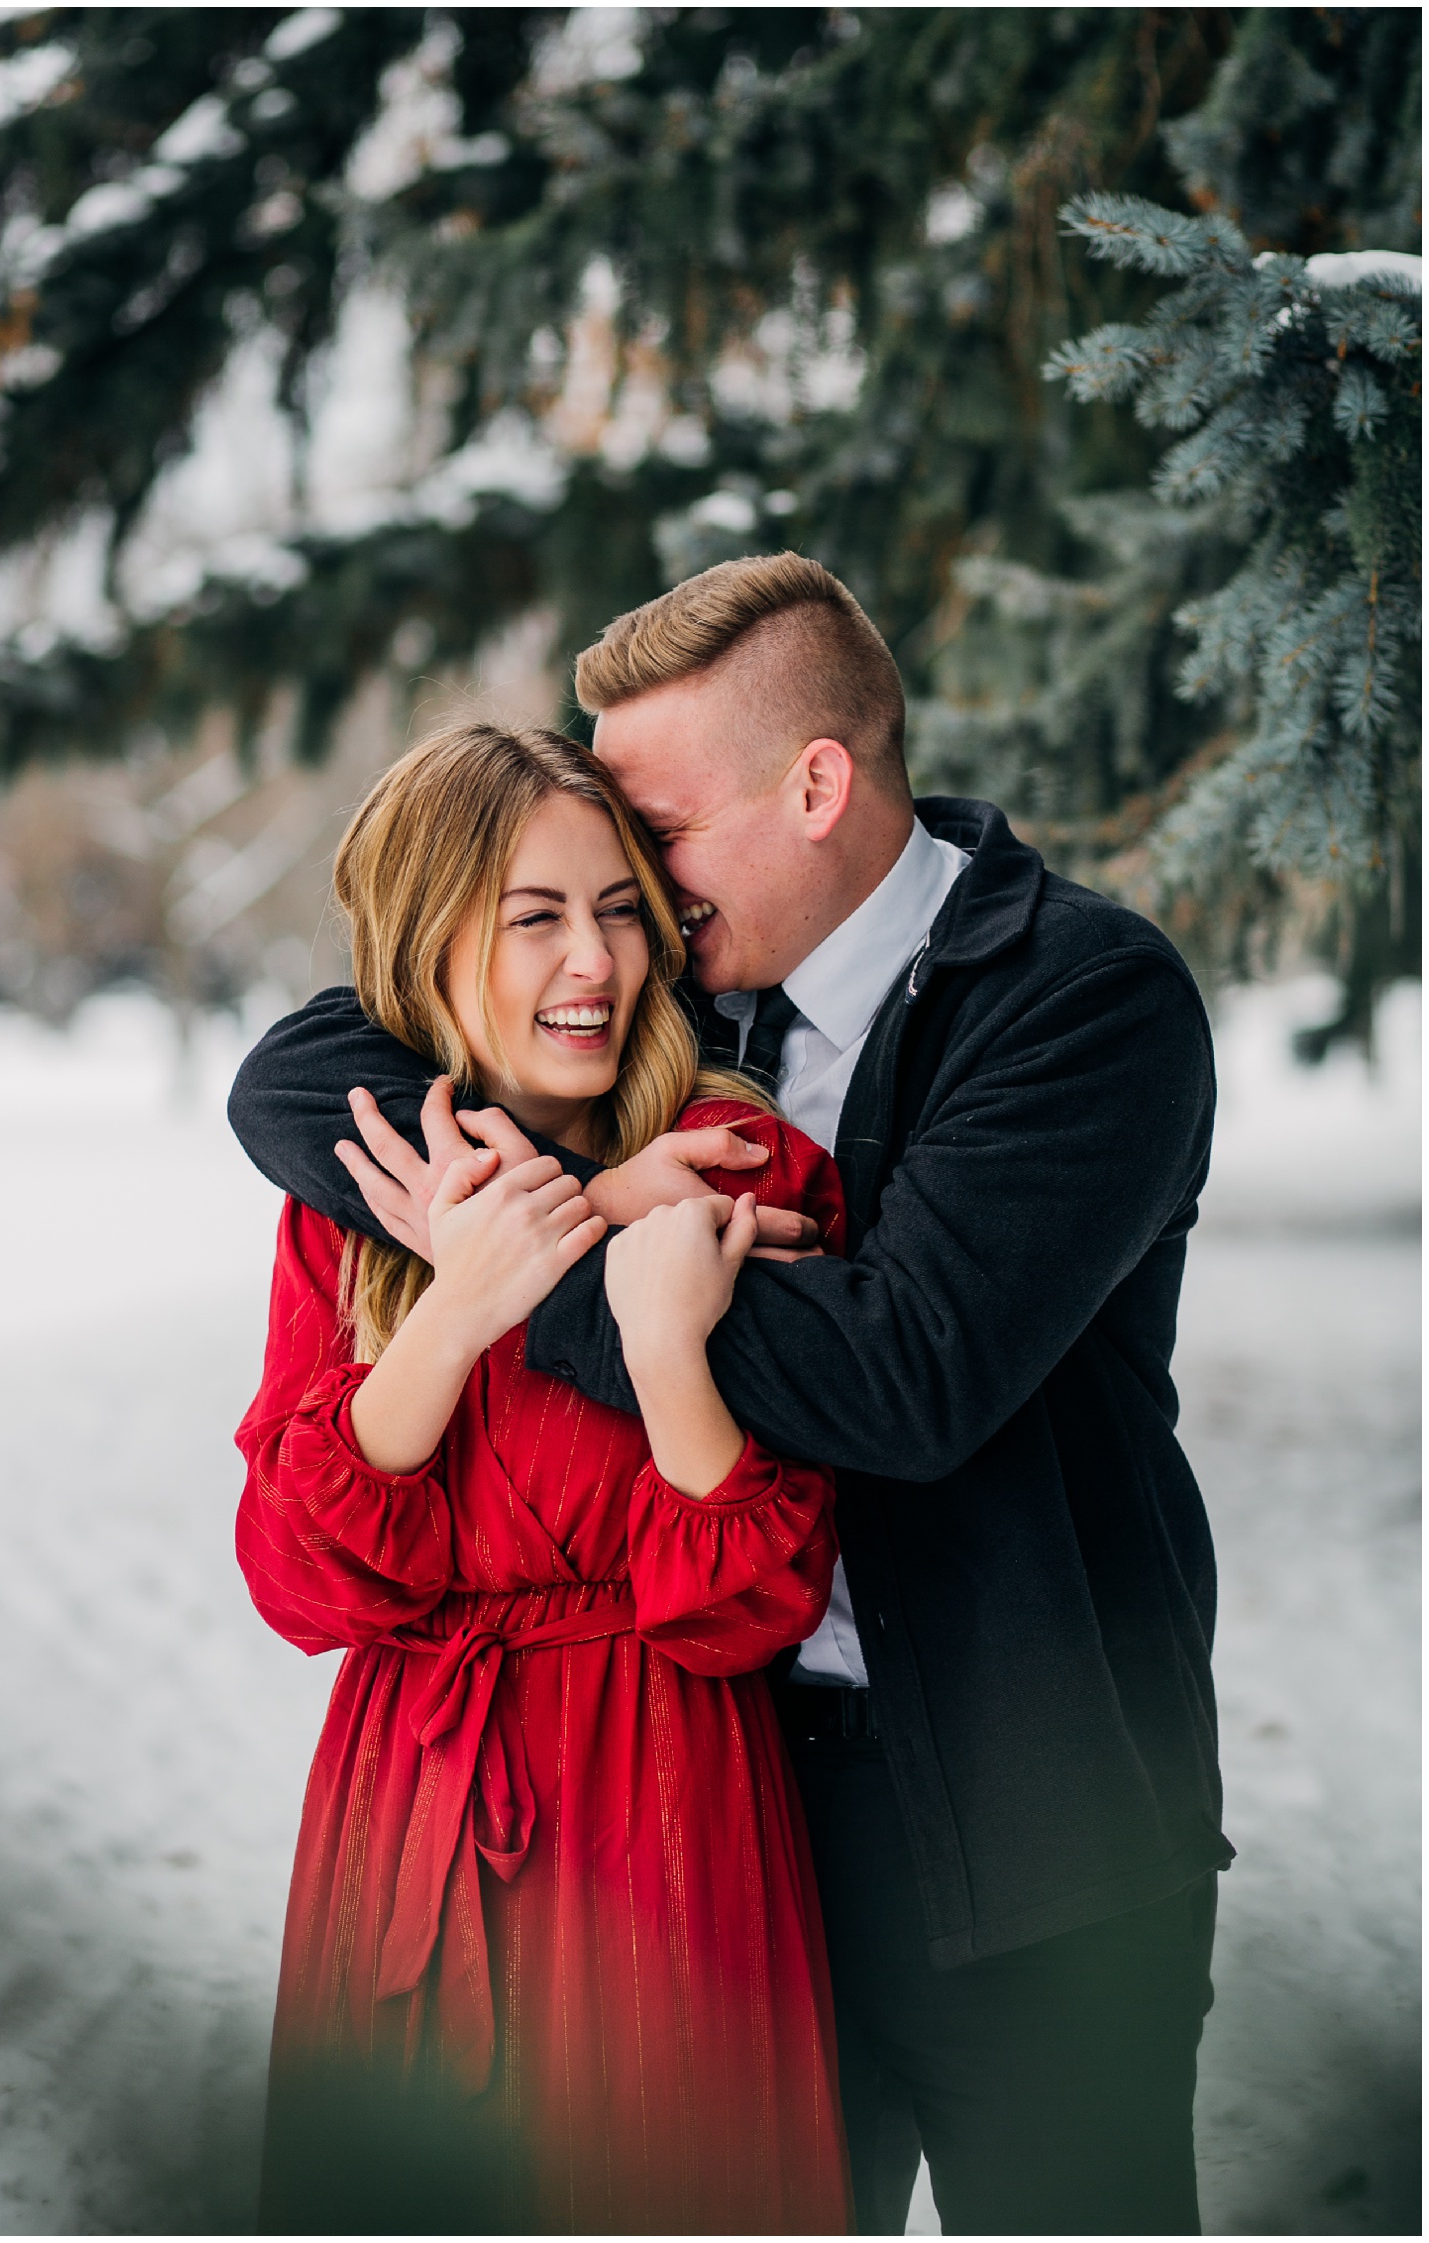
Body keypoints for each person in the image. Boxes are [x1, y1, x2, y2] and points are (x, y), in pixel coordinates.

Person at [230, 554, 1234, 2237]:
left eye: (657, 846)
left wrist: (559, 1256)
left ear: (817, 784)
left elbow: (910, 1377)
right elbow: (302, 1069)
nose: (628, 906)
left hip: (1036, 1827)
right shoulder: (676, 998)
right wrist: (559, 1196)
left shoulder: (1084, 1002)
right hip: (742, 1814)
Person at [234, 721, 855, 2235]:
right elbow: (298, 1572)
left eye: (621, 908)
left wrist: (662, 1346)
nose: (596, 961)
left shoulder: (733, 1163)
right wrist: (456, 1302)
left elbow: (758, 1598)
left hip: (664, 1803)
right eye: (535, 916)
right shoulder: (368, 1195)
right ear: (428, 941)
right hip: (413, 1811)